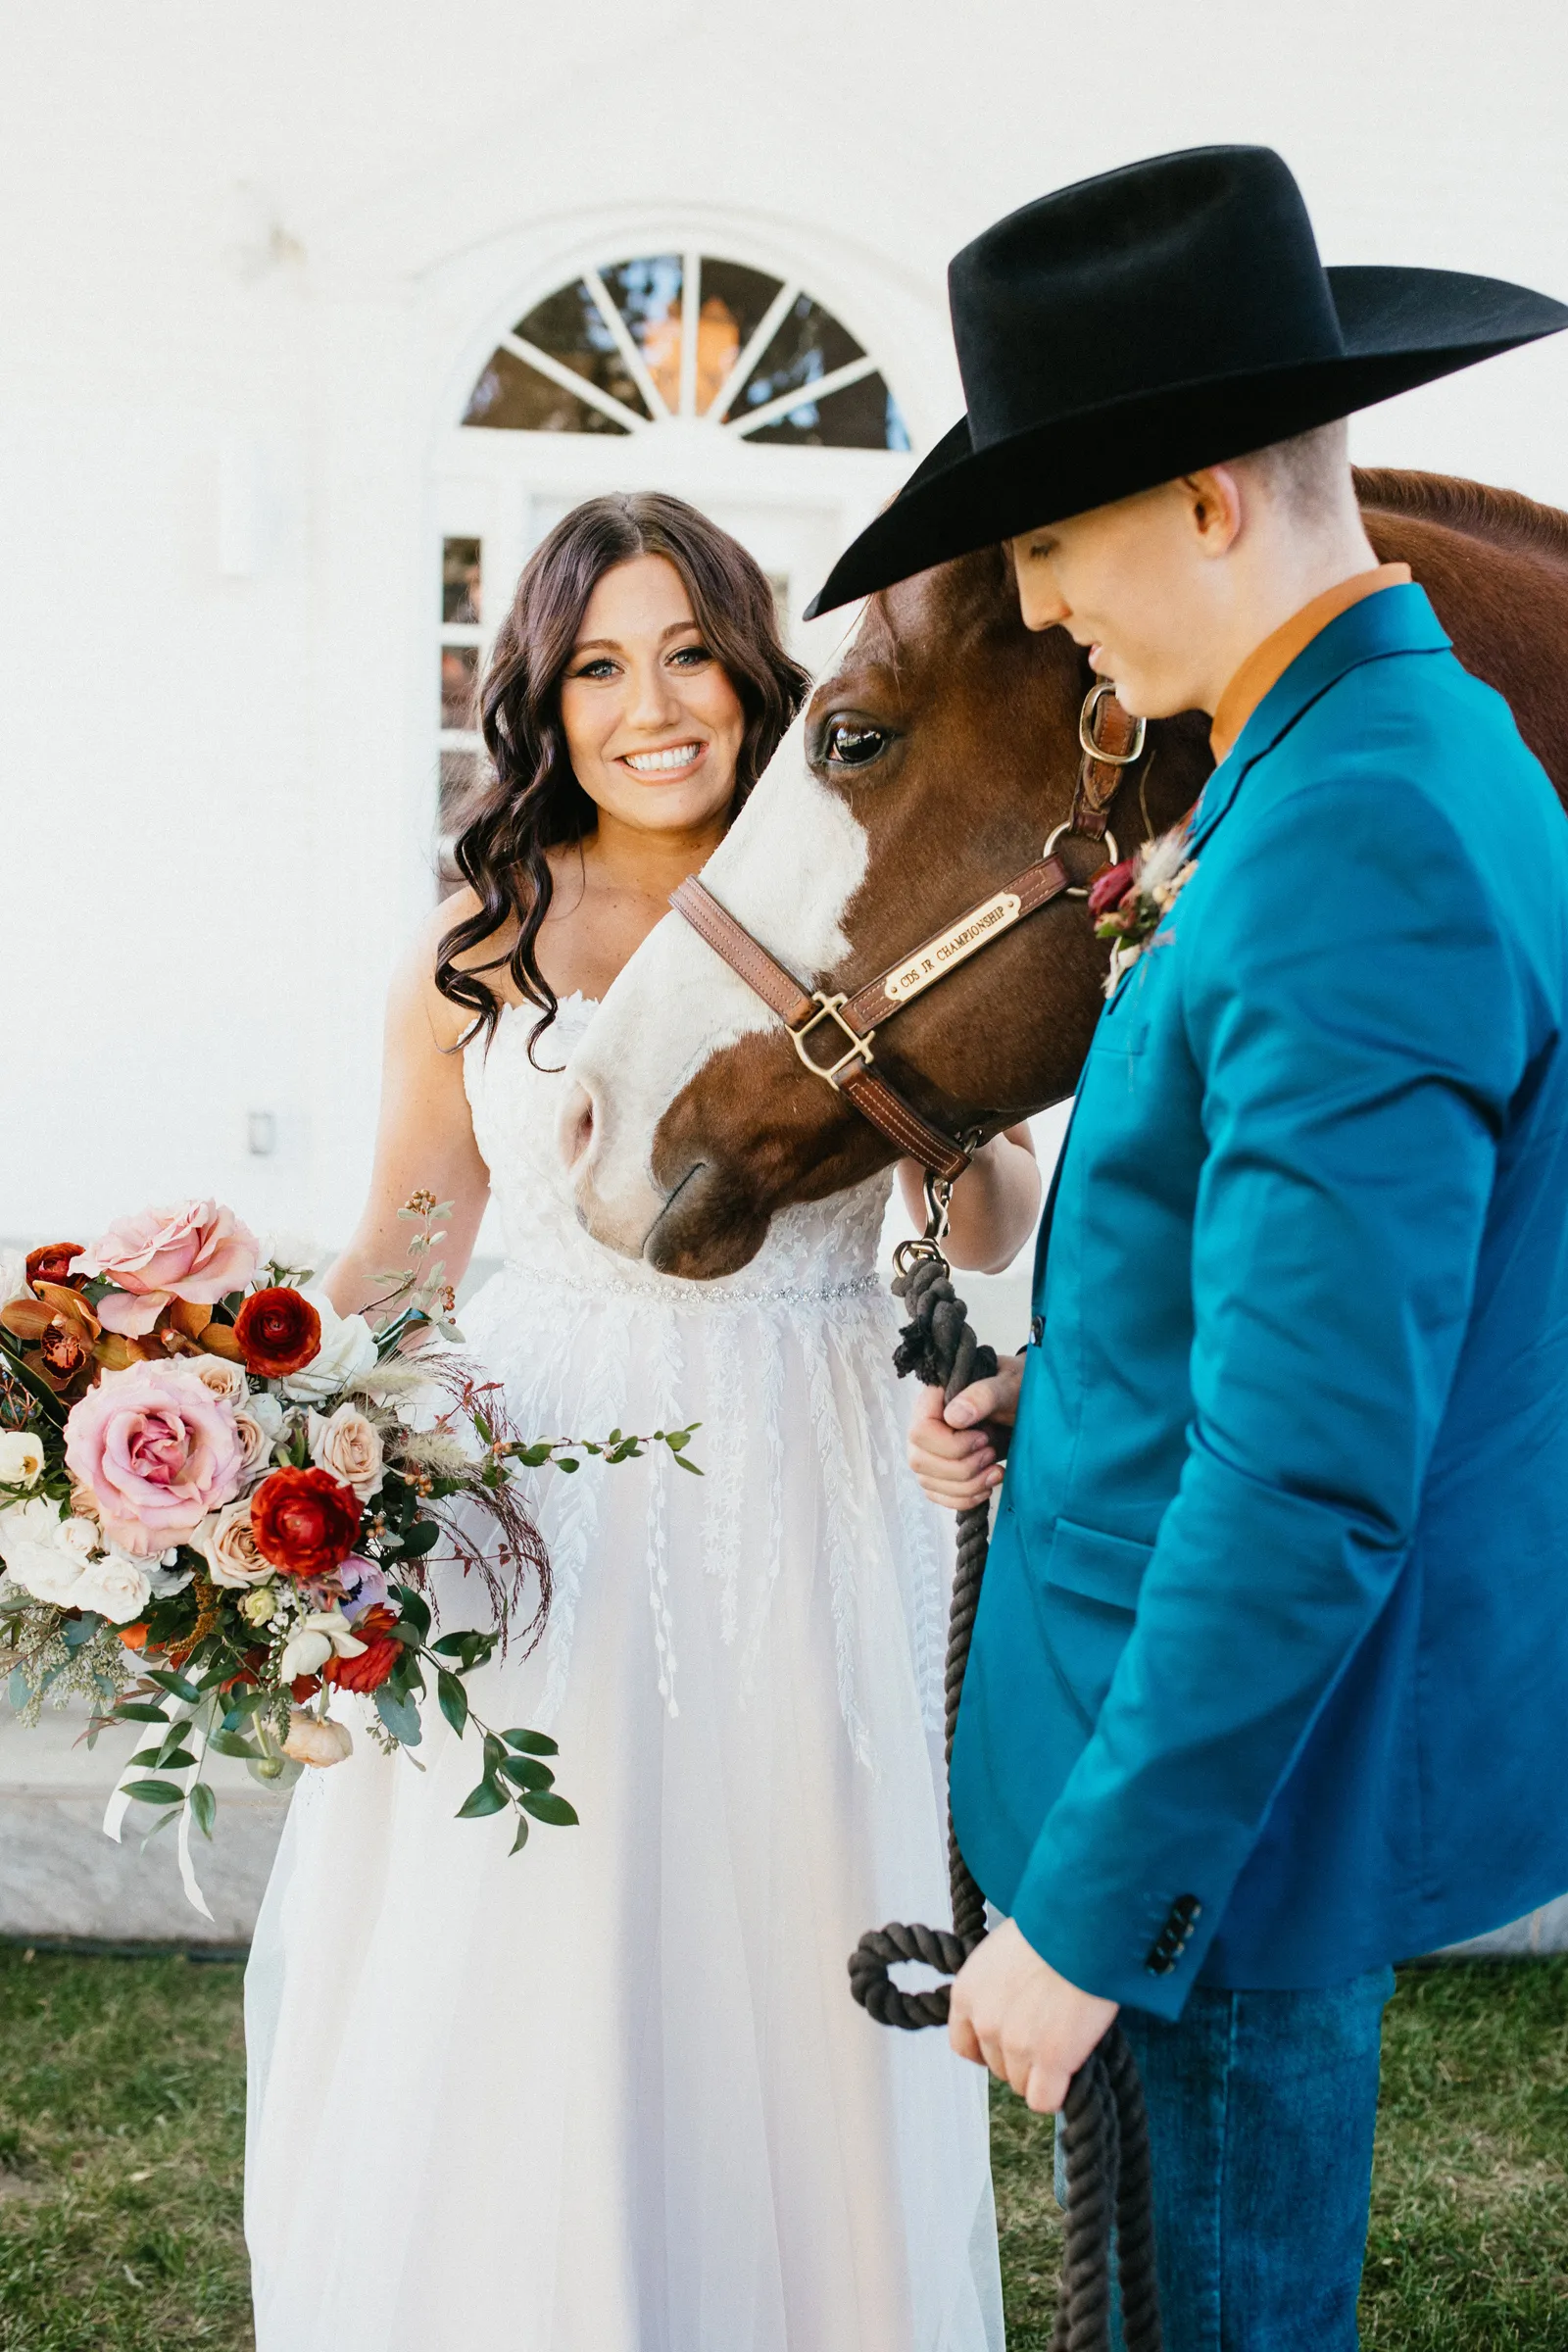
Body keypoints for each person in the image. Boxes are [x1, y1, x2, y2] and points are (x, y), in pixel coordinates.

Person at [812, 147, 1568, 2345]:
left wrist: (1091, 1915)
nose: (1044, 603)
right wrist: (1073, 1396)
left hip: (1205, 1849)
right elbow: (1311, 1308)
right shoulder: (1348, 762)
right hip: (1190, 1773)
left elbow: (1317, 1465)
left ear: (1209, 497)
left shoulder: (1354, 836)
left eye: (1049, 536)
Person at [244, 491, 1036, 2351]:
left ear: (753, 672)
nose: (651, 702)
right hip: (547, 1495)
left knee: (793, 1929)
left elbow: (992, 1199)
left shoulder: (842, 872)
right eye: (599, 664)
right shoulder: (479, 944)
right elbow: (408, 1253)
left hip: (817, 1467)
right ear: (547, 698)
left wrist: (945, 1170)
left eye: (689, 649)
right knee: (541, 1931)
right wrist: (259, 1476)